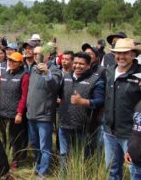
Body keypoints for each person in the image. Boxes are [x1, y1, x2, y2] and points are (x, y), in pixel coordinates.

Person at [58, 52, 105, 169]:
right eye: (76, 63)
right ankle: (65, 177)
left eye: (81, 64)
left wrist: (83, 102)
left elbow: (100, 101)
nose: (77, 66)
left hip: (83, 127)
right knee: (64, 155)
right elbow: (59, 94)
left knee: (82, 157)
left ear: (89, 65)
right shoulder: (66, 76)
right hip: (64, 124)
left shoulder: (96, 80)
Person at [103, 38, 141, 179]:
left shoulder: (139, 73)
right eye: (118, 53)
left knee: (135, 172)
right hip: (109, 132)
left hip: (132, 134)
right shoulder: (109, 71)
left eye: (125, 53)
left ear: (133, 54)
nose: (121, 56)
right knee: (112, 170)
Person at [26, 46, 62, 178]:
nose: (36, 56)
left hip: (44, 116)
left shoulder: (54, 70)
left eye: (39, 54)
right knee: (35, 144)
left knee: (44, 147)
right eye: (34, 54)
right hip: (31, 114)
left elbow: (55, 88)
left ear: (47, 55)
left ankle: (43, 172)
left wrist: (47, 74)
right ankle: (38, 166)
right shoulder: (33, 70)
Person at [0, 52, 29, 170]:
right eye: (10, 60)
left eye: (14, 61)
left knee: (15, 139)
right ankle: (4, 158)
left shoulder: (24, 76)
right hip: (2, 112)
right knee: (3, 137)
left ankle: (15, 161)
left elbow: (24, 96)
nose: (11, 63)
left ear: (20, 63)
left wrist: (19, 113)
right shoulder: (4, 75)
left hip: (15, 114)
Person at [124, 96, 141, 180]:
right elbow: (135, 130)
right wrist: (129, 150)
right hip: (135, 163)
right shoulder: (139, 104)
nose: (139, 84)